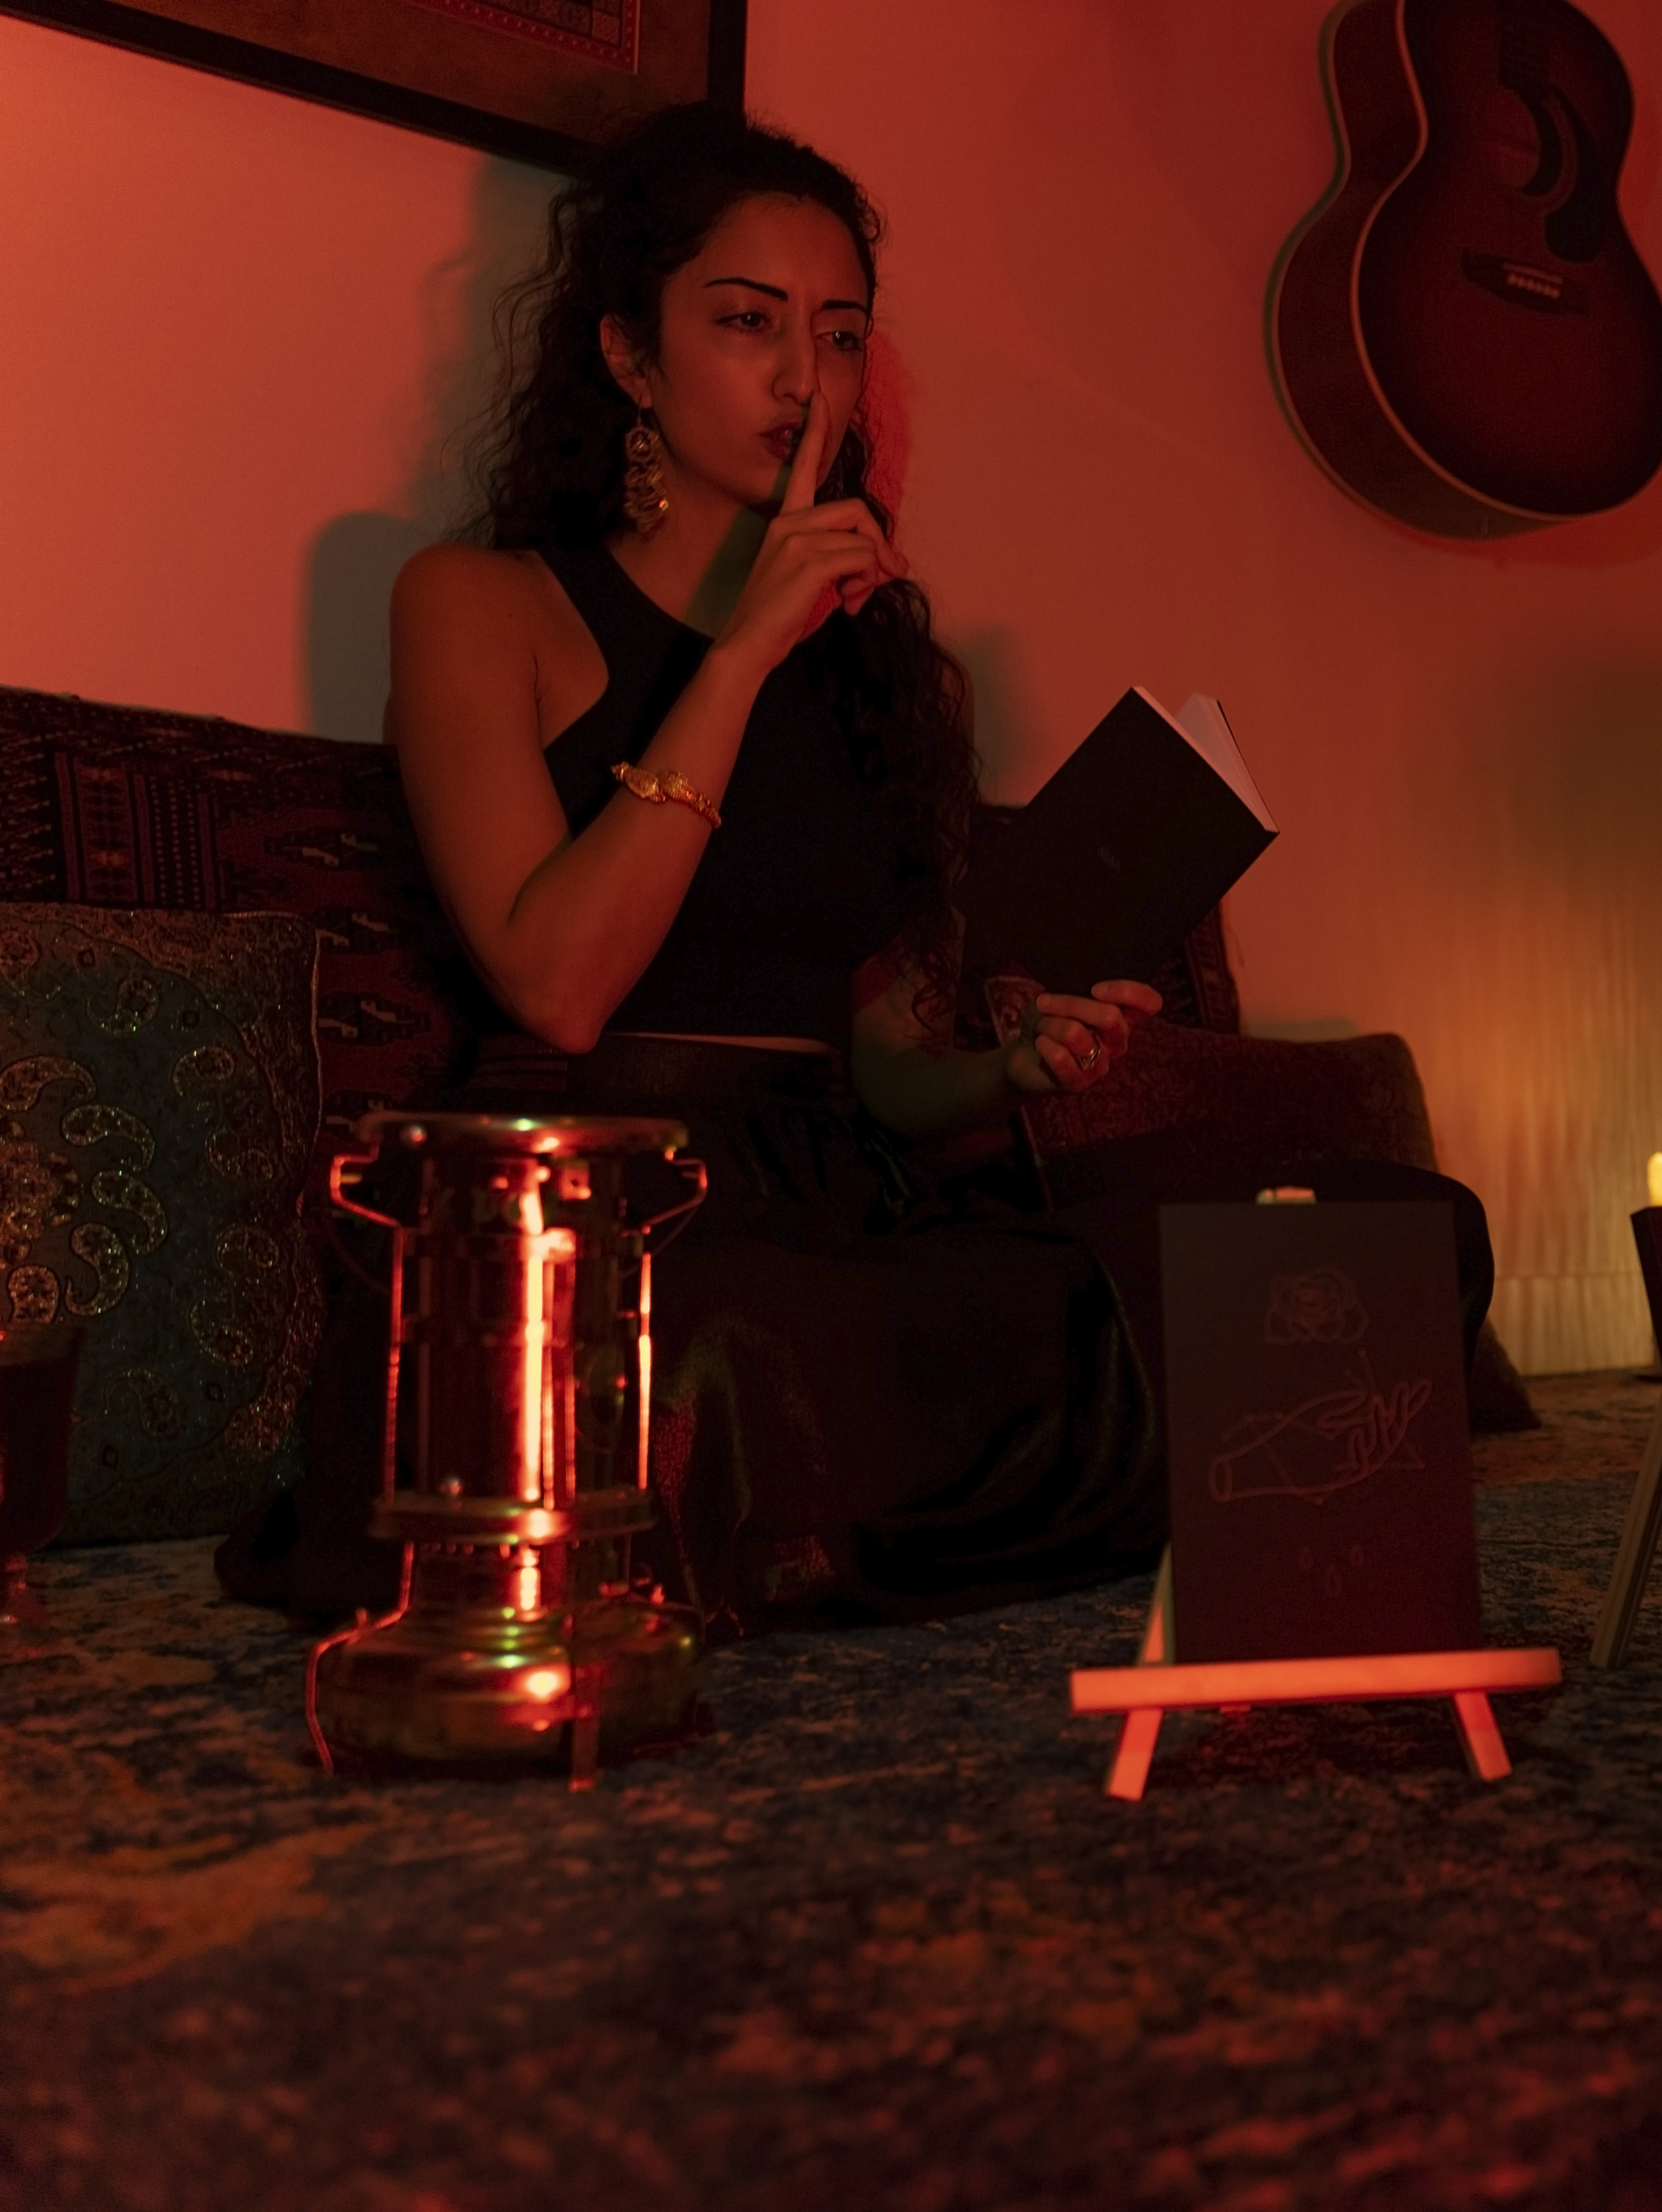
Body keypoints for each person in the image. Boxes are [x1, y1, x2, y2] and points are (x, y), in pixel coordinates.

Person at [221, 105, 1486, 1631]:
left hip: (841, 1191)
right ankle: (814, 1505)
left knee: (1380, 1229)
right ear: (630, 357)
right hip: (599, 1205)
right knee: (719, 1342)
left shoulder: (878, 668)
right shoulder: (484, 605)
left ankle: (850, 1502)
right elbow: (557, 984)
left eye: (837, 335)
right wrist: (742, 646)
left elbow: (878, 1062)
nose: (800, 377)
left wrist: (1005, 1074)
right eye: (746, 324)